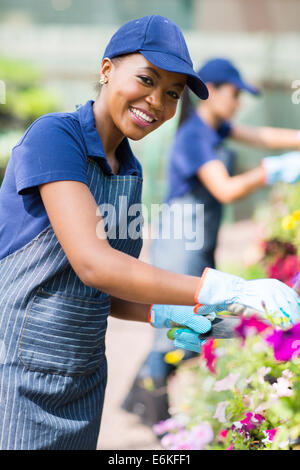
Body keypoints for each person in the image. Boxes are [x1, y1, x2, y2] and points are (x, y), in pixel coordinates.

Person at [0, 16, 299, 450]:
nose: (157, 101)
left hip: (82, 377)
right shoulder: (54, 137)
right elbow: (93, 263)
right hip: (19, 373)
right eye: (146, 79)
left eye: (172, 93)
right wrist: (227, 289)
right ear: (106, 70)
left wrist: (160, 313)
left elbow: (105, 289)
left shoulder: (130, 170)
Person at [122, 57, 300, 427]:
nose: (238, 102)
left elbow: (264, 136)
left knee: (190, 321)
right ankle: (149, 405)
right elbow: (226, 188)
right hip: (180, 238)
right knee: (175, 324)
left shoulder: (216, 128)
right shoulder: (194, 135)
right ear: (212, 92)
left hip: (198, 235)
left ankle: (144, 403)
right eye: (234, 93)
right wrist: (270, 171)